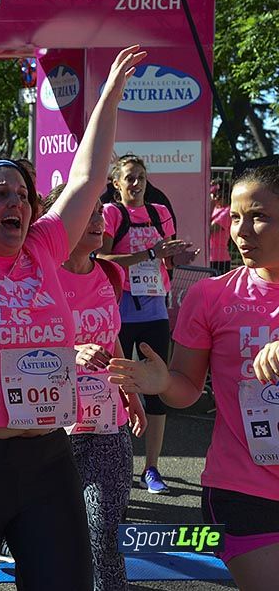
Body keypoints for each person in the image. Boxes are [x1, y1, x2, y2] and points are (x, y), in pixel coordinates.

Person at [0, 32, 146, 590]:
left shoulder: (42, 246)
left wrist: (108, 97)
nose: (16, 201)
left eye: (23, 192)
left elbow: (87, 178)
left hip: (46, 460)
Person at [109, 165, 279, 591]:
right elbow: (186, 388)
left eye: (259, 216)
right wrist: (164, 383)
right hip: (243, 487)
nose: (242, 231)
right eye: (235, 217)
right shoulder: (212, 295)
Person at [42, 184, 146, 591]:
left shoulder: (109, 272)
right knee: (57, 534)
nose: (98, 222)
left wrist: (131, 395)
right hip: (50, 427)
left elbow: (112, 339)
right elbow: (20, 343)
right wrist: (71, 351)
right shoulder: (38, 274)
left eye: (100, 214)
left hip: (107, 423)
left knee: (105, 532)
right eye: (87, 214)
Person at [97, 154, 194, 494]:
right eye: (130, 178)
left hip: (154, 311)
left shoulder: (159, 213)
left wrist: (179, 256)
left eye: (141, 177)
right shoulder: (111, 213)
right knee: (117, 389)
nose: (137, 183)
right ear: (116, 184)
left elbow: (167, 258)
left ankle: (151, 468)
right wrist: (149, 254)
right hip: (120, 312)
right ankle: (117, 464)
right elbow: (103, 259)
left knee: (156, 388)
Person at [210, 180, 232, 276]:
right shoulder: (216, 209)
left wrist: (210, 206)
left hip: (220, 259)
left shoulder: (227, 212)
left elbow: (210, 230)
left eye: (216, 196)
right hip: (210, 257)